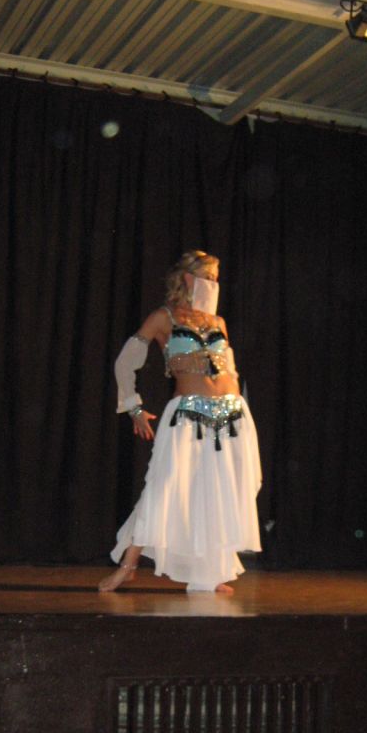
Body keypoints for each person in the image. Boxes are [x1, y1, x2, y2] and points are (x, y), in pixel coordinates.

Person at [99, 250, 261, 594]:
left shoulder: (218, 322)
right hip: (187, 415)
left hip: (230, 414)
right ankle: (128, 566)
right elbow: (125, 362)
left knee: (219, 493)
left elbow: (229, 368)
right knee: (164, 486)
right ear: (188, 278)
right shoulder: (164, 317)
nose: (214, 284)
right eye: (208, 277)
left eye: (216, 278)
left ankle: (211, 571)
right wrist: (134, 408)